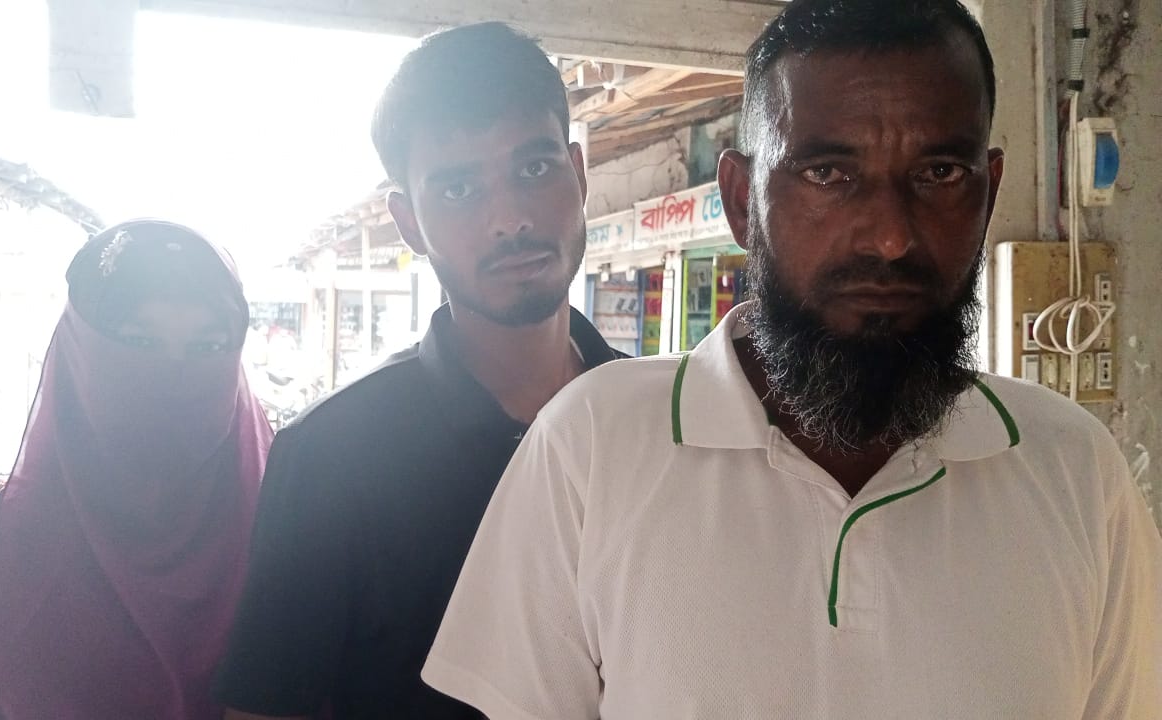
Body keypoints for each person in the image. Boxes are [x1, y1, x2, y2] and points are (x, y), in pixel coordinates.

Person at [423, 1, 1162, 718]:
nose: (889, 237)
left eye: (939, 173)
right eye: (827, 174)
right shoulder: (590, 446)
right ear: (742, 200)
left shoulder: (1074, 473)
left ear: (989, 191)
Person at [215, 22, 626, 720]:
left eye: (534, 169)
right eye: (459, 188)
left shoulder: (655, 424)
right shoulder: (330, 457)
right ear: (408, 222)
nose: (510, 219)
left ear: (579, 175)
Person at [0, 219, 273, 719]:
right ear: (78, 355)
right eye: (139, 342)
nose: (172, 376)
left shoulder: (293, 545)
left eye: (207, 347)